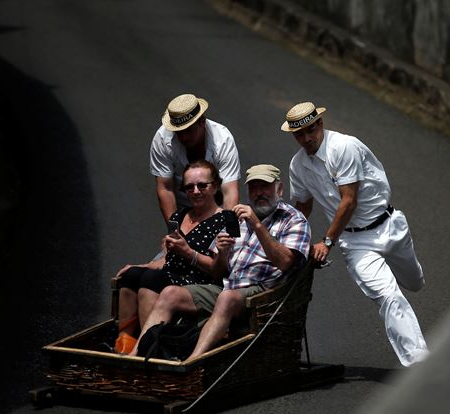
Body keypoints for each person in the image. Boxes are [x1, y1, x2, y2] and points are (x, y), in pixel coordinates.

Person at [281, 101, 429, 367]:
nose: (306, 138)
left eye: (310, 130)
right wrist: (287, 241)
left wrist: (326, 241)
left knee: (415, 282)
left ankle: (397, 269)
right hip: (355, 242)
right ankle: (420, 363)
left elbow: (348, 201)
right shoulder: (297, 165)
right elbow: (303, 206)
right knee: (388, 296)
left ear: (320, 125)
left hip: (388, 226)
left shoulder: (345, 147)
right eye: (299, 134)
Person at [130, 164, 311, 361]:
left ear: (279, 189)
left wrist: (257, 226)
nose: (259, 193)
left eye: (265, 187)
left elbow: (285, 262)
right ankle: (136, 354)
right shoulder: (237, 219)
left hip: (262, 292)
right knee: (170, 292)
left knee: (227, 298)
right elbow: (218, 272)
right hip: (227, 287)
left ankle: (192, 362)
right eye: (254, 188)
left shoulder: (293, 219)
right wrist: (223, 253)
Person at [113, 161, 227, 353]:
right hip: (171, 273)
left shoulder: (224, 220)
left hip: (198, 281)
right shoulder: (180, 216)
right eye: (189, 187)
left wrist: (188, 253)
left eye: (202, 185)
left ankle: (148, 347)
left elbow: (218, 271)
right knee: (131, 275)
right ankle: (124, 344)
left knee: (152, 279)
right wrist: (142, 266)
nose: (195, 191)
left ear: (215, 186)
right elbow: (168, 258)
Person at [150, 93, 241, 223]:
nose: (184, 137)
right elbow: (165, 188)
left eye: (189, 130)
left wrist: (228, 231)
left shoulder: (223, 140)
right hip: (183, 206)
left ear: (202, 122)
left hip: (216, 205)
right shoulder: (163, 139)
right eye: (179, 132)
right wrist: (174, 230)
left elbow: (229, 191)